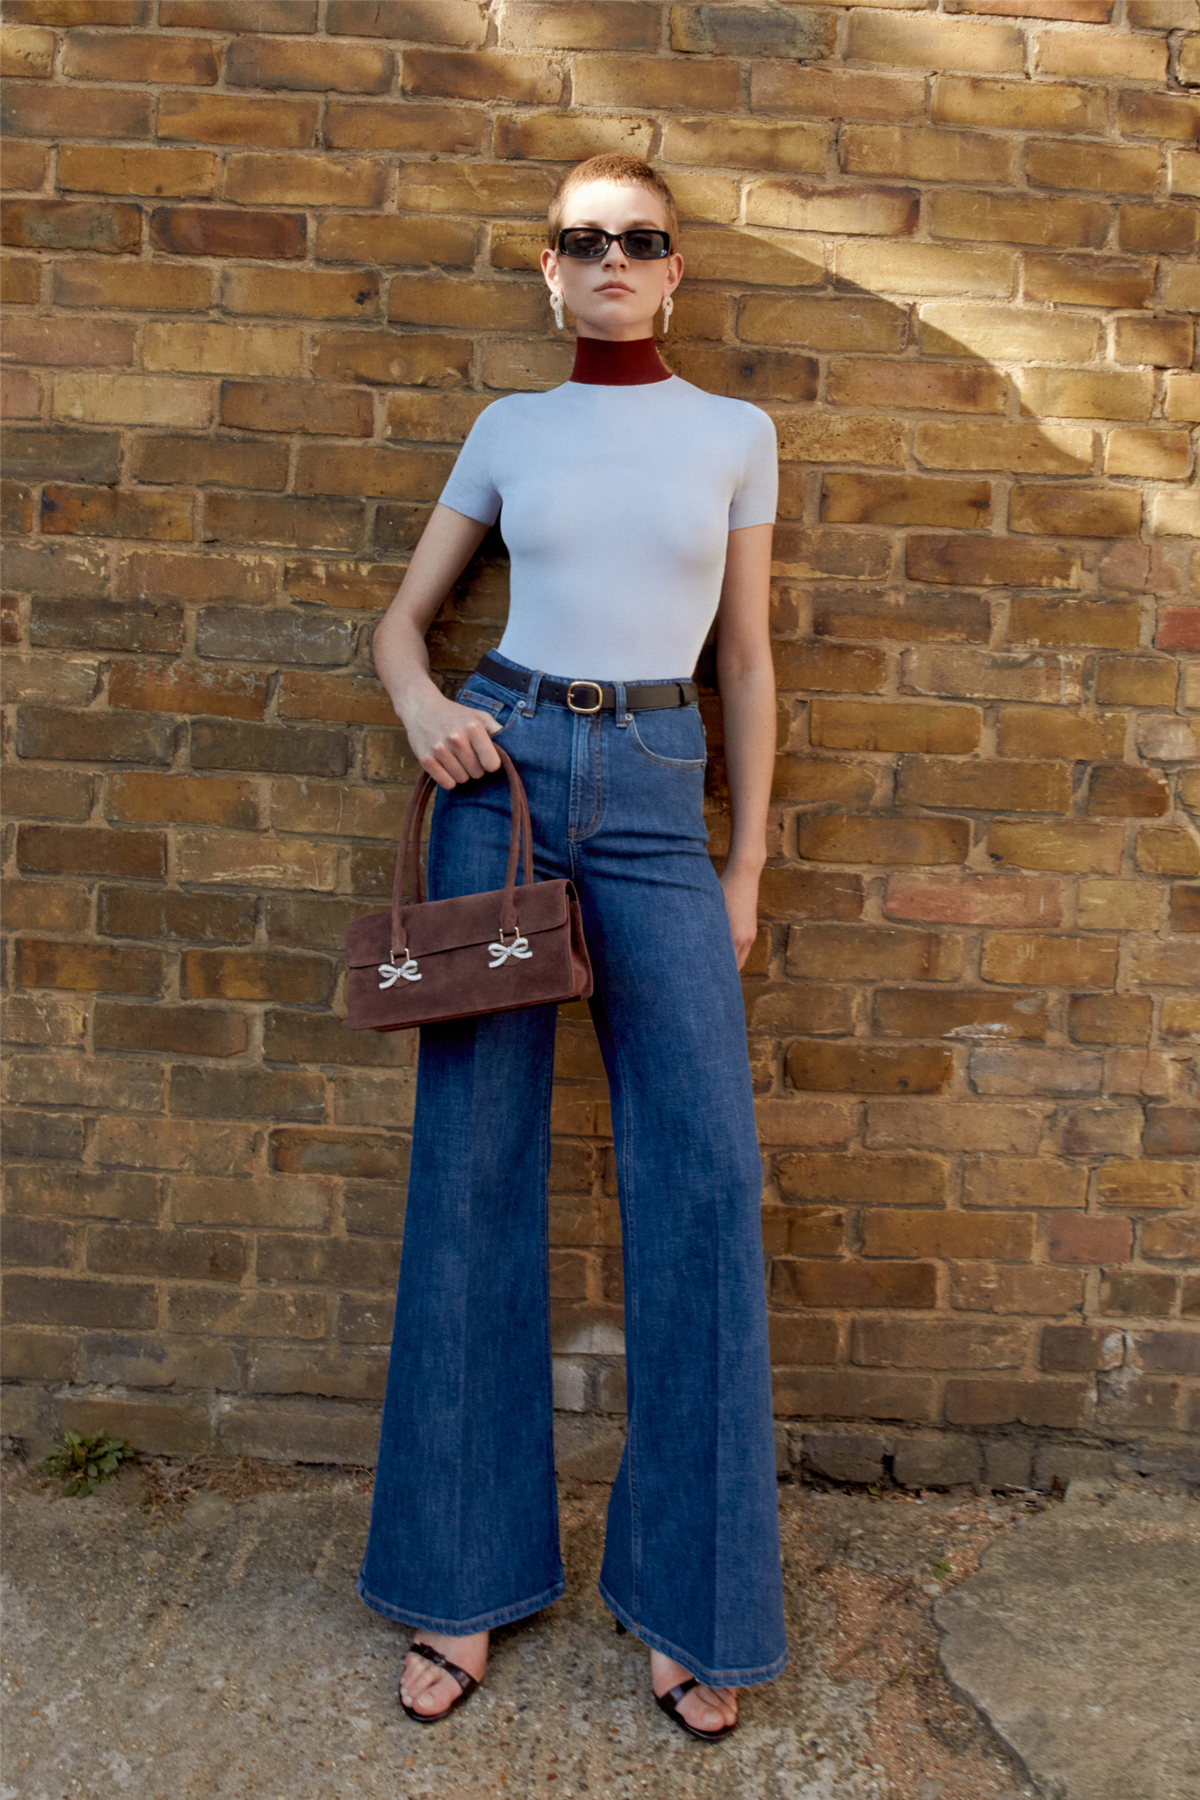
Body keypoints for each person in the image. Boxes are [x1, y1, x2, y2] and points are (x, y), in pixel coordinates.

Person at [360, 154, 787, 1743]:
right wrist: (426, 707)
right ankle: (457, 1580)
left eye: (640, 239)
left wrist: (744, 861)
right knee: (473, 1167)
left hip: (662, 792)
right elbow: (402, 625)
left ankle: (696, 1601)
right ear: (550, 270)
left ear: (674, 271)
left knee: (707, 1180)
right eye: (583, 239)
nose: (613, 258)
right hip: (507, 785)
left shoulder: (734, 434)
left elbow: (748, 660)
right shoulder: (510, 430)